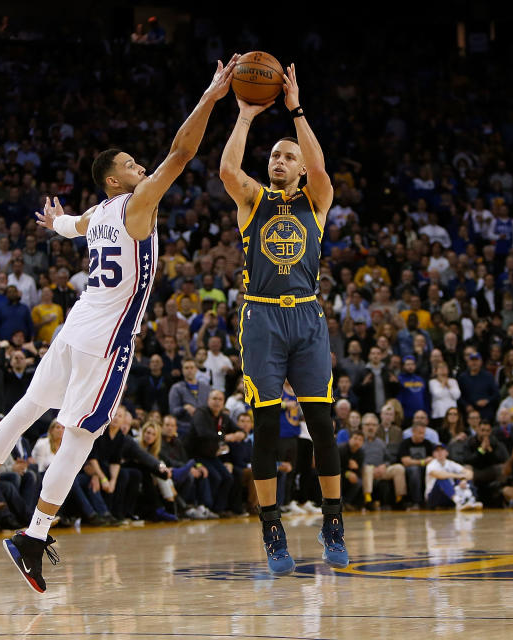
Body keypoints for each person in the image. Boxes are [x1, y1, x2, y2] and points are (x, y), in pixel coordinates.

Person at [0, 56, 240, 593]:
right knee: (79, 441)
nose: (140, 167)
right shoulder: (134, 205)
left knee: (28, 409)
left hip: (73, 329)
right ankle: (33, 536)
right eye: (131, 164)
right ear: (115, 180)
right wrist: (211, 97)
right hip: (106, 343)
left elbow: (67, 225)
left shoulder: (97, 216)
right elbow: (181, 153)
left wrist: (53, 221)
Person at [220, 62, 347, 574]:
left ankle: (333, 520)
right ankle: (272, 526)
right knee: (267, 427)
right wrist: (246, 116)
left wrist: (295, 111)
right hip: (262, 319)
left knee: (321, 423)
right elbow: (229, 171)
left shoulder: (317, 200)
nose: (280, 159)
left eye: (288, 155)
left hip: (308, 318)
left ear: (300, 168)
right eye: (274, 155)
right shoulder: (253, 200)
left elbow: (319, 167)